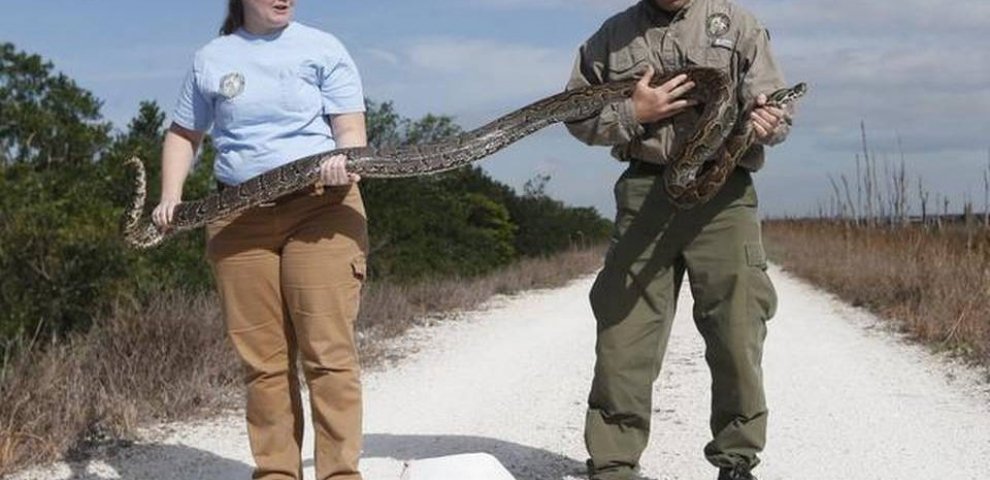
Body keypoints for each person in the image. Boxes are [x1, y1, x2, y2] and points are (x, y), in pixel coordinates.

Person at [564, 1, 792, 479]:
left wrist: (769, 123)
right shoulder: (612, 34)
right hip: (646, 190)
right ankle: (613, 464)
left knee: (737, 327)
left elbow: (776, 108)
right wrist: (632, 112)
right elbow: (574, 112)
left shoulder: (738, 24)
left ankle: (737, 459)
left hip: (723, 194)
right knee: (623, 330)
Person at [151, 1, 369, 479]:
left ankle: (339, 475)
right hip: (236, 216)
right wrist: (171, 196)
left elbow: (351, 129)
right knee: (263, 365)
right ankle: (276, 473)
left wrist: (344, 158)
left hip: (322, 207)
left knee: (327, 355)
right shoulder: (212, 57)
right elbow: (184, 133)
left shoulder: (322, 48)